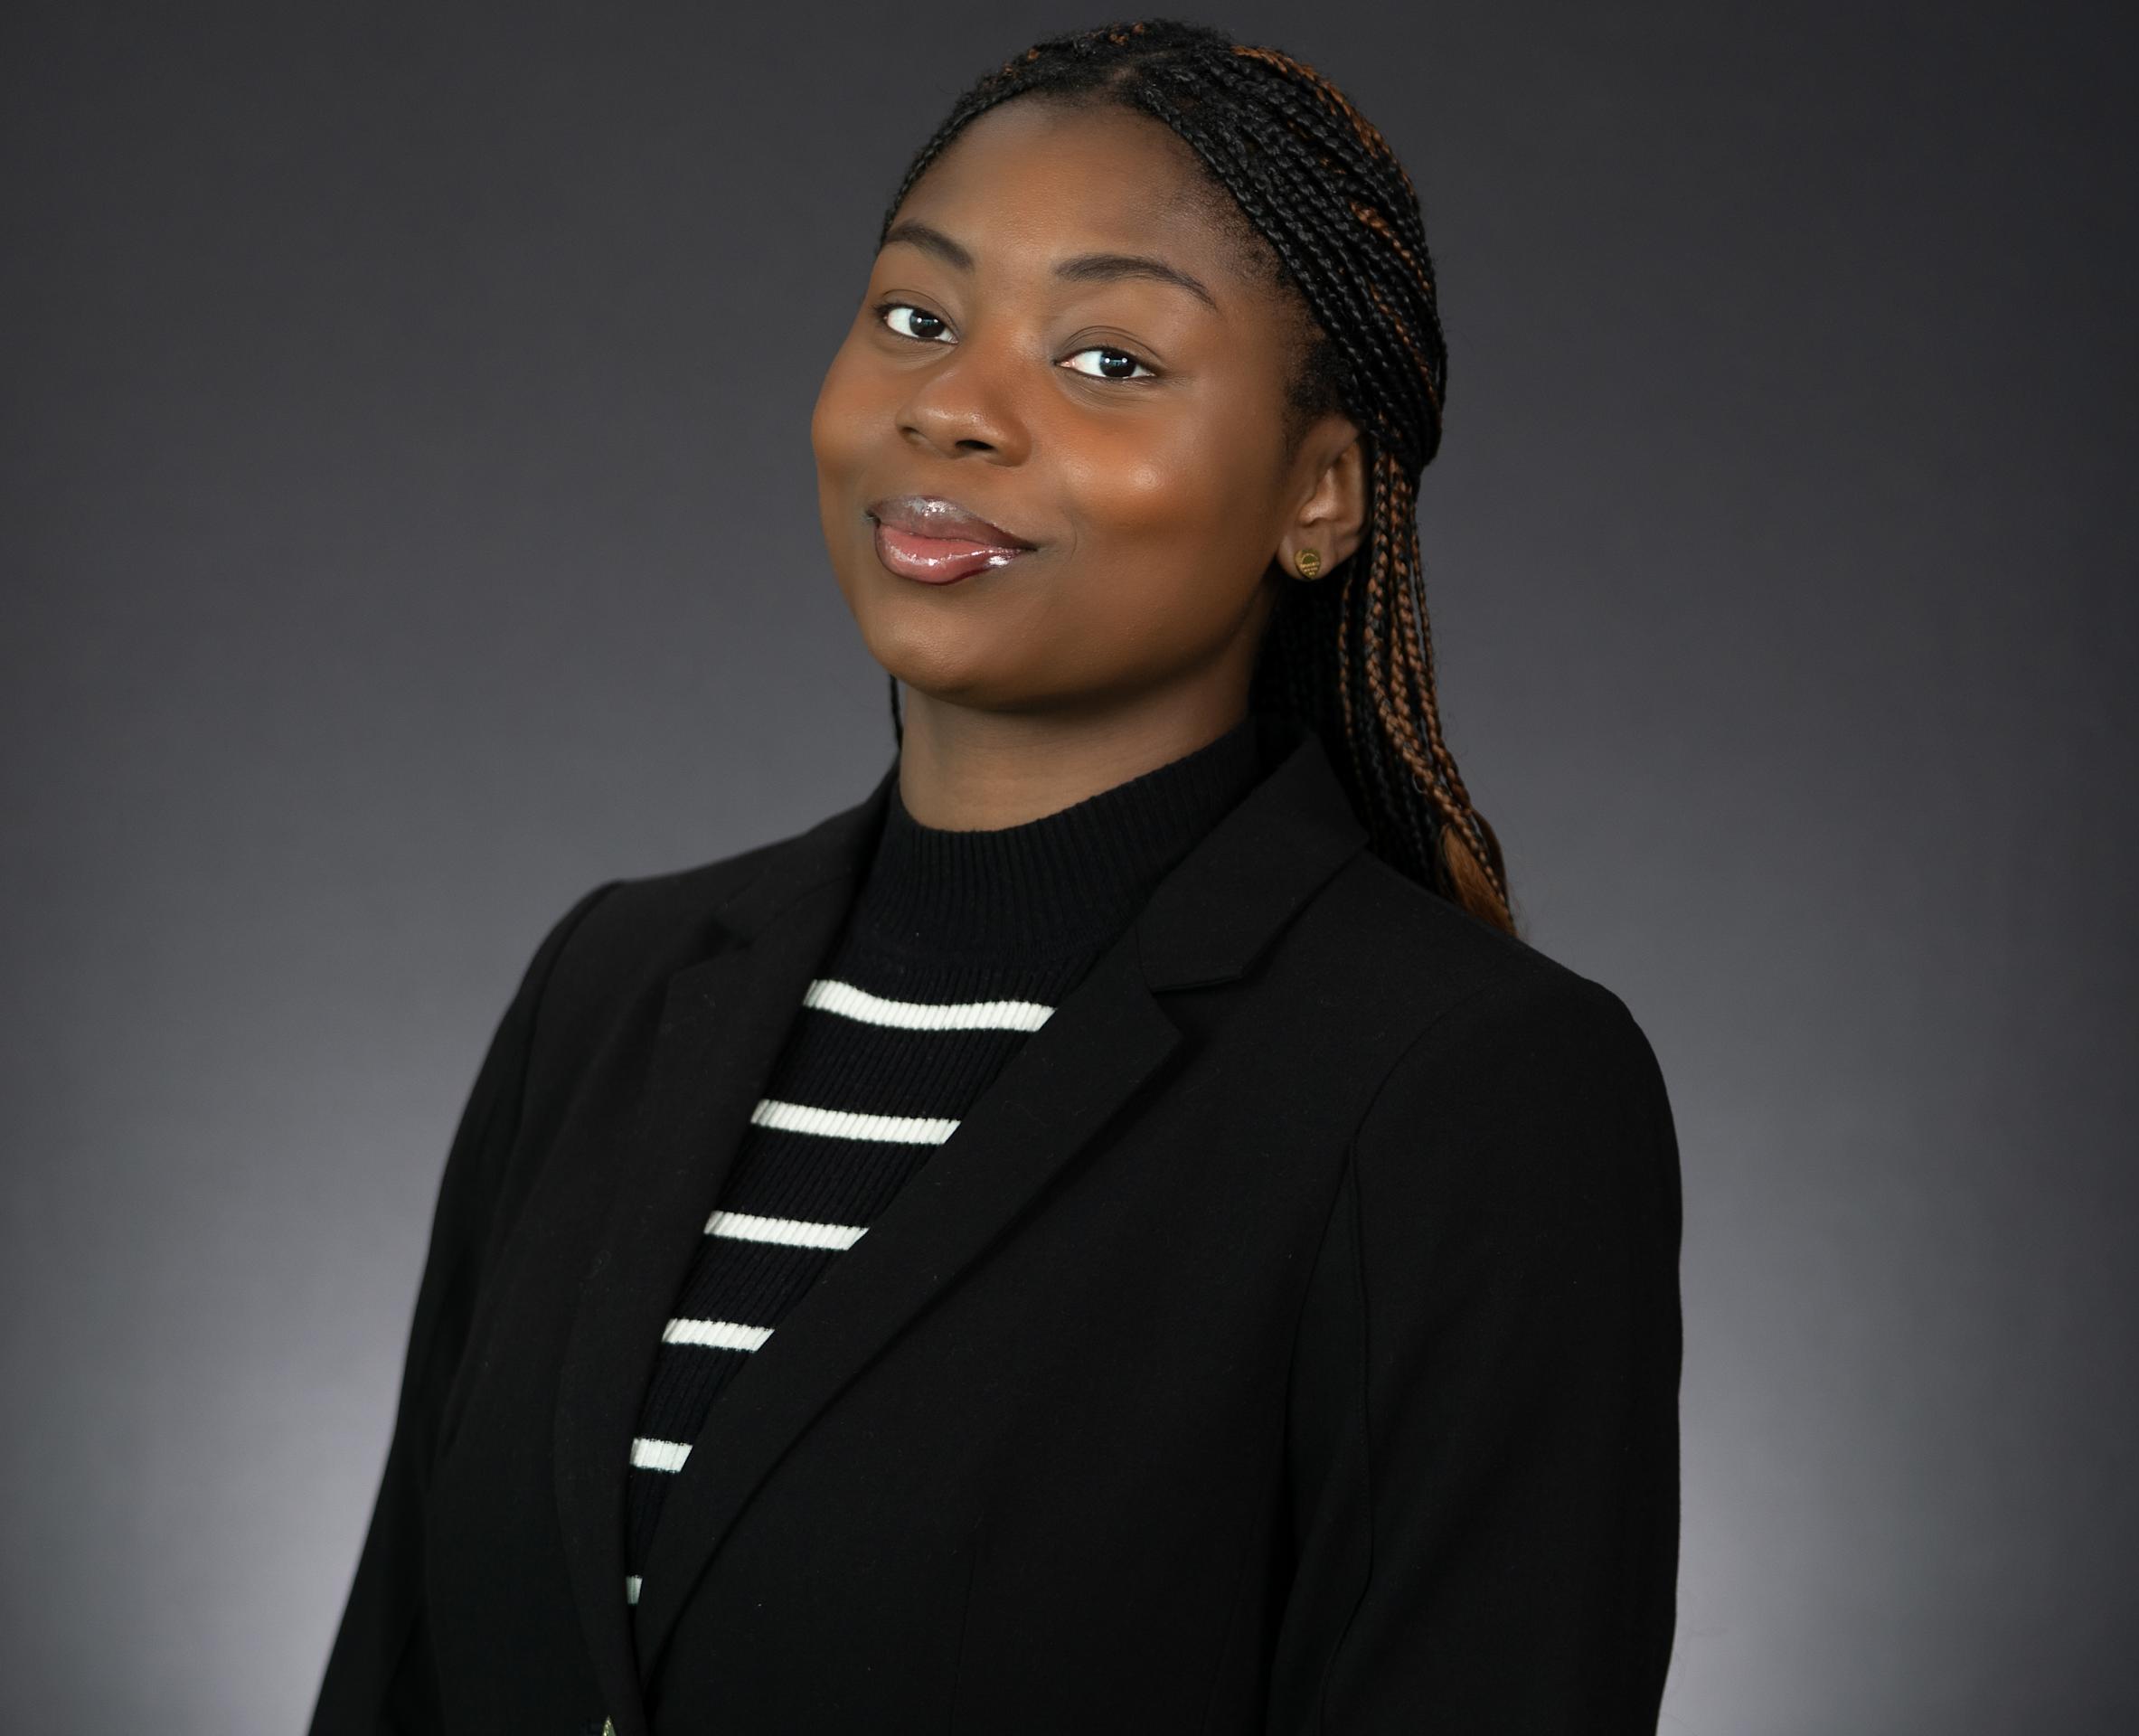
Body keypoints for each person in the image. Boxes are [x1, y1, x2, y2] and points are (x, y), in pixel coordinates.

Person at [306, 19, 1682, 1735]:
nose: (954, 404)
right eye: (916, 315)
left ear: (1320, 493)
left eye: (1109, 360)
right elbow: (403, 1685)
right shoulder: (617, 985)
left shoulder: (1471, 1092)